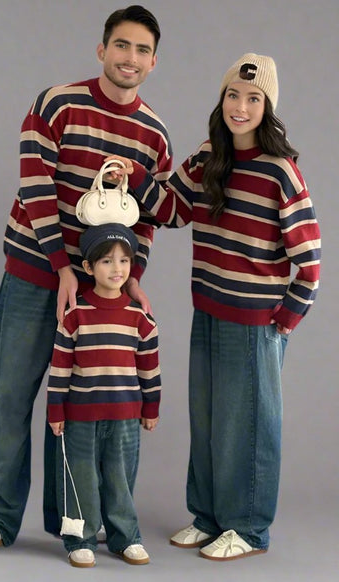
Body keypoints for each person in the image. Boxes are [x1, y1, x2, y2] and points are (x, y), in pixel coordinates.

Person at [0, 5, 172, 550]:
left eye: (142, 50)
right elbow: (36, 186)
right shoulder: (57, 104)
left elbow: (148, 218)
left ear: (154, 62)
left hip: (104, 294)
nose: (131, 58)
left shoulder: (154, 134)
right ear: (102, 50)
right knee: (9, 395)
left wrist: (132, 278)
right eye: (122, 46)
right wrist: (61, 269)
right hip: (37, 271)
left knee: (82, 406)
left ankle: (73, 524)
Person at [106, 53, 321, 560]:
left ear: (267, 107)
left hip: (254, 323)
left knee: (246, 427)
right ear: (222, 99)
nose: (240, 107)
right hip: (208, 309)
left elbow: (309, 262)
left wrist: (282, 323)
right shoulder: (209, 158)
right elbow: (172, 208)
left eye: (252, 98)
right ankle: (207, 517)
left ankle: (247, 528)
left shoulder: (280, 172)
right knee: (206, 420)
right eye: (232, 95)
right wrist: (133, 177)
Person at [47, 223, 161, 568]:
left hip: (125, 416)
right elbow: (60, 369)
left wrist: (151, 408)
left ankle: (125, 537)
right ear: (89, 268)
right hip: (80, 416)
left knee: (120, 478)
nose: (117, 269)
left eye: (124, 261)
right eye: (108, 262)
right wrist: (56, 412)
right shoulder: (75, 315)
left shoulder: (141, 319)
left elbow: (149, 370)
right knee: (80, 477)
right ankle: (80, 538)